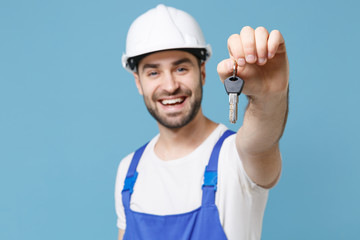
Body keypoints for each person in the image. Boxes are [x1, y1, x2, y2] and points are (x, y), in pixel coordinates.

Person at [115, 4, 289, 240]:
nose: (170, 85)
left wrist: (270, 97)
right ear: (138, 82)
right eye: (153, 72)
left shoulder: (236, 157)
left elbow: (262, 140)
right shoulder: (129, 172)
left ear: (202, 71)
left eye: (181, 68)